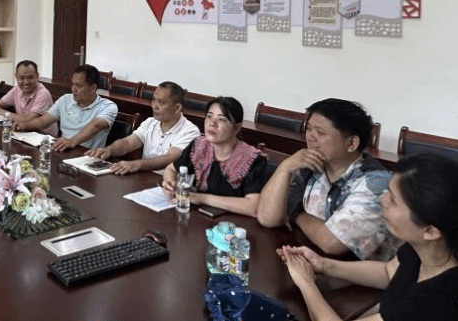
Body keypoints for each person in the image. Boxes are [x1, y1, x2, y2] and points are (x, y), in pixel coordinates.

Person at [279, 153, 458, 321]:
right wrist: (324, 265)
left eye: (393, 200)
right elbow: (388, 272)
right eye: (387, 192)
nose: (382, 200)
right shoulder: (427, 249)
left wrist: (305, 282)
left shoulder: (437, 300)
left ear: (430, 231)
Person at [257, 98, 397, 259]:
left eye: (320, 132)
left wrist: (296, 213)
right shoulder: (310, 166)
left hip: (356, 270)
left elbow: (332, 242)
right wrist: (285, 168)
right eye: (309, 129)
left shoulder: (376, 182)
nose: (310, 137)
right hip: (314, 260)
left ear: (351, 143)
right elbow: (267, 218)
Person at [161, 96, 267, 216]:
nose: (212, 123)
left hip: (233, 224)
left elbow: (253, 207)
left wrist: (201, 198)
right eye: (209, 116)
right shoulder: (198, 146)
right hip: (198, 219)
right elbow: (171, 169)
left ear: (237, 128)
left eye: (221, 119)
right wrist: (171, 185)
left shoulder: (252, 159)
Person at [86, 81, 199, 174]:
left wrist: (137, 164)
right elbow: (127, 143)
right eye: (153, 100)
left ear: (177, 108)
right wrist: (108, 150)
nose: (154, 106)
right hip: (145, 179)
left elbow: (169, 158)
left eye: (161, 102)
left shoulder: (190, 131)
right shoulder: (150, 122)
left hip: (172, 186)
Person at [15, 64, 116, 151]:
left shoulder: (107, 106)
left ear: (93, 88)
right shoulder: (65, 100)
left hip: (87, 156)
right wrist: (25, 125)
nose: (73, 89)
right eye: (73, 84)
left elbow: (96, 125)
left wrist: (72, 141)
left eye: (78, 86)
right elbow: (43, 121)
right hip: (63, 149)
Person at [0, 60, 56, 135]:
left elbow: (28, 119)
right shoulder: (17, 89)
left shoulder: (43, 94)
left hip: (43, 137)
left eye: (30, 78)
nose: (26, 82)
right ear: (16, 77)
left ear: (37, 76)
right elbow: (0, 104)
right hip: (24, 133)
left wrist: (0, 111)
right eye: (22, 78)